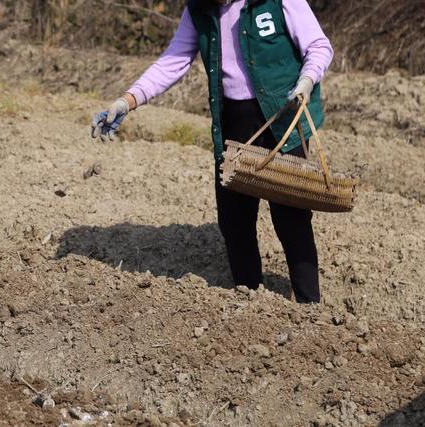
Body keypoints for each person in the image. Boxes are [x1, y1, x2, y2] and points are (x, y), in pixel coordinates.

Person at [90, 0, 333, 304]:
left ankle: (310, 305)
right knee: (234, 220)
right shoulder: (199, 9)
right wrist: (128, 100)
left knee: (291, 217)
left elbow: (319, 46)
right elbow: (172, 61)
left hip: (282, 120)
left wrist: (307, 79)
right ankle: (250, 297)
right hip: (233, 123)